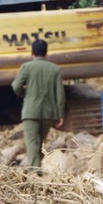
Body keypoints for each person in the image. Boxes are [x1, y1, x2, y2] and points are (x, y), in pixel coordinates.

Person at [12, 38, 64, 172]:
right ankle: (37, 167)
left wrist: (25, 93)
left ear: (32, 53)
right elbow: (60, 94)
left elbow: (16, 86)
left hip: (30, 111)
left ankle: (35, 171)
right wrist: (60, 114)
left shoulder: (26, 67)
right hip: (48, 112)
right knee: (40, 142)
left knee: (32, 142)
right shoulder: (55, 69)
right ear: (46, 53)